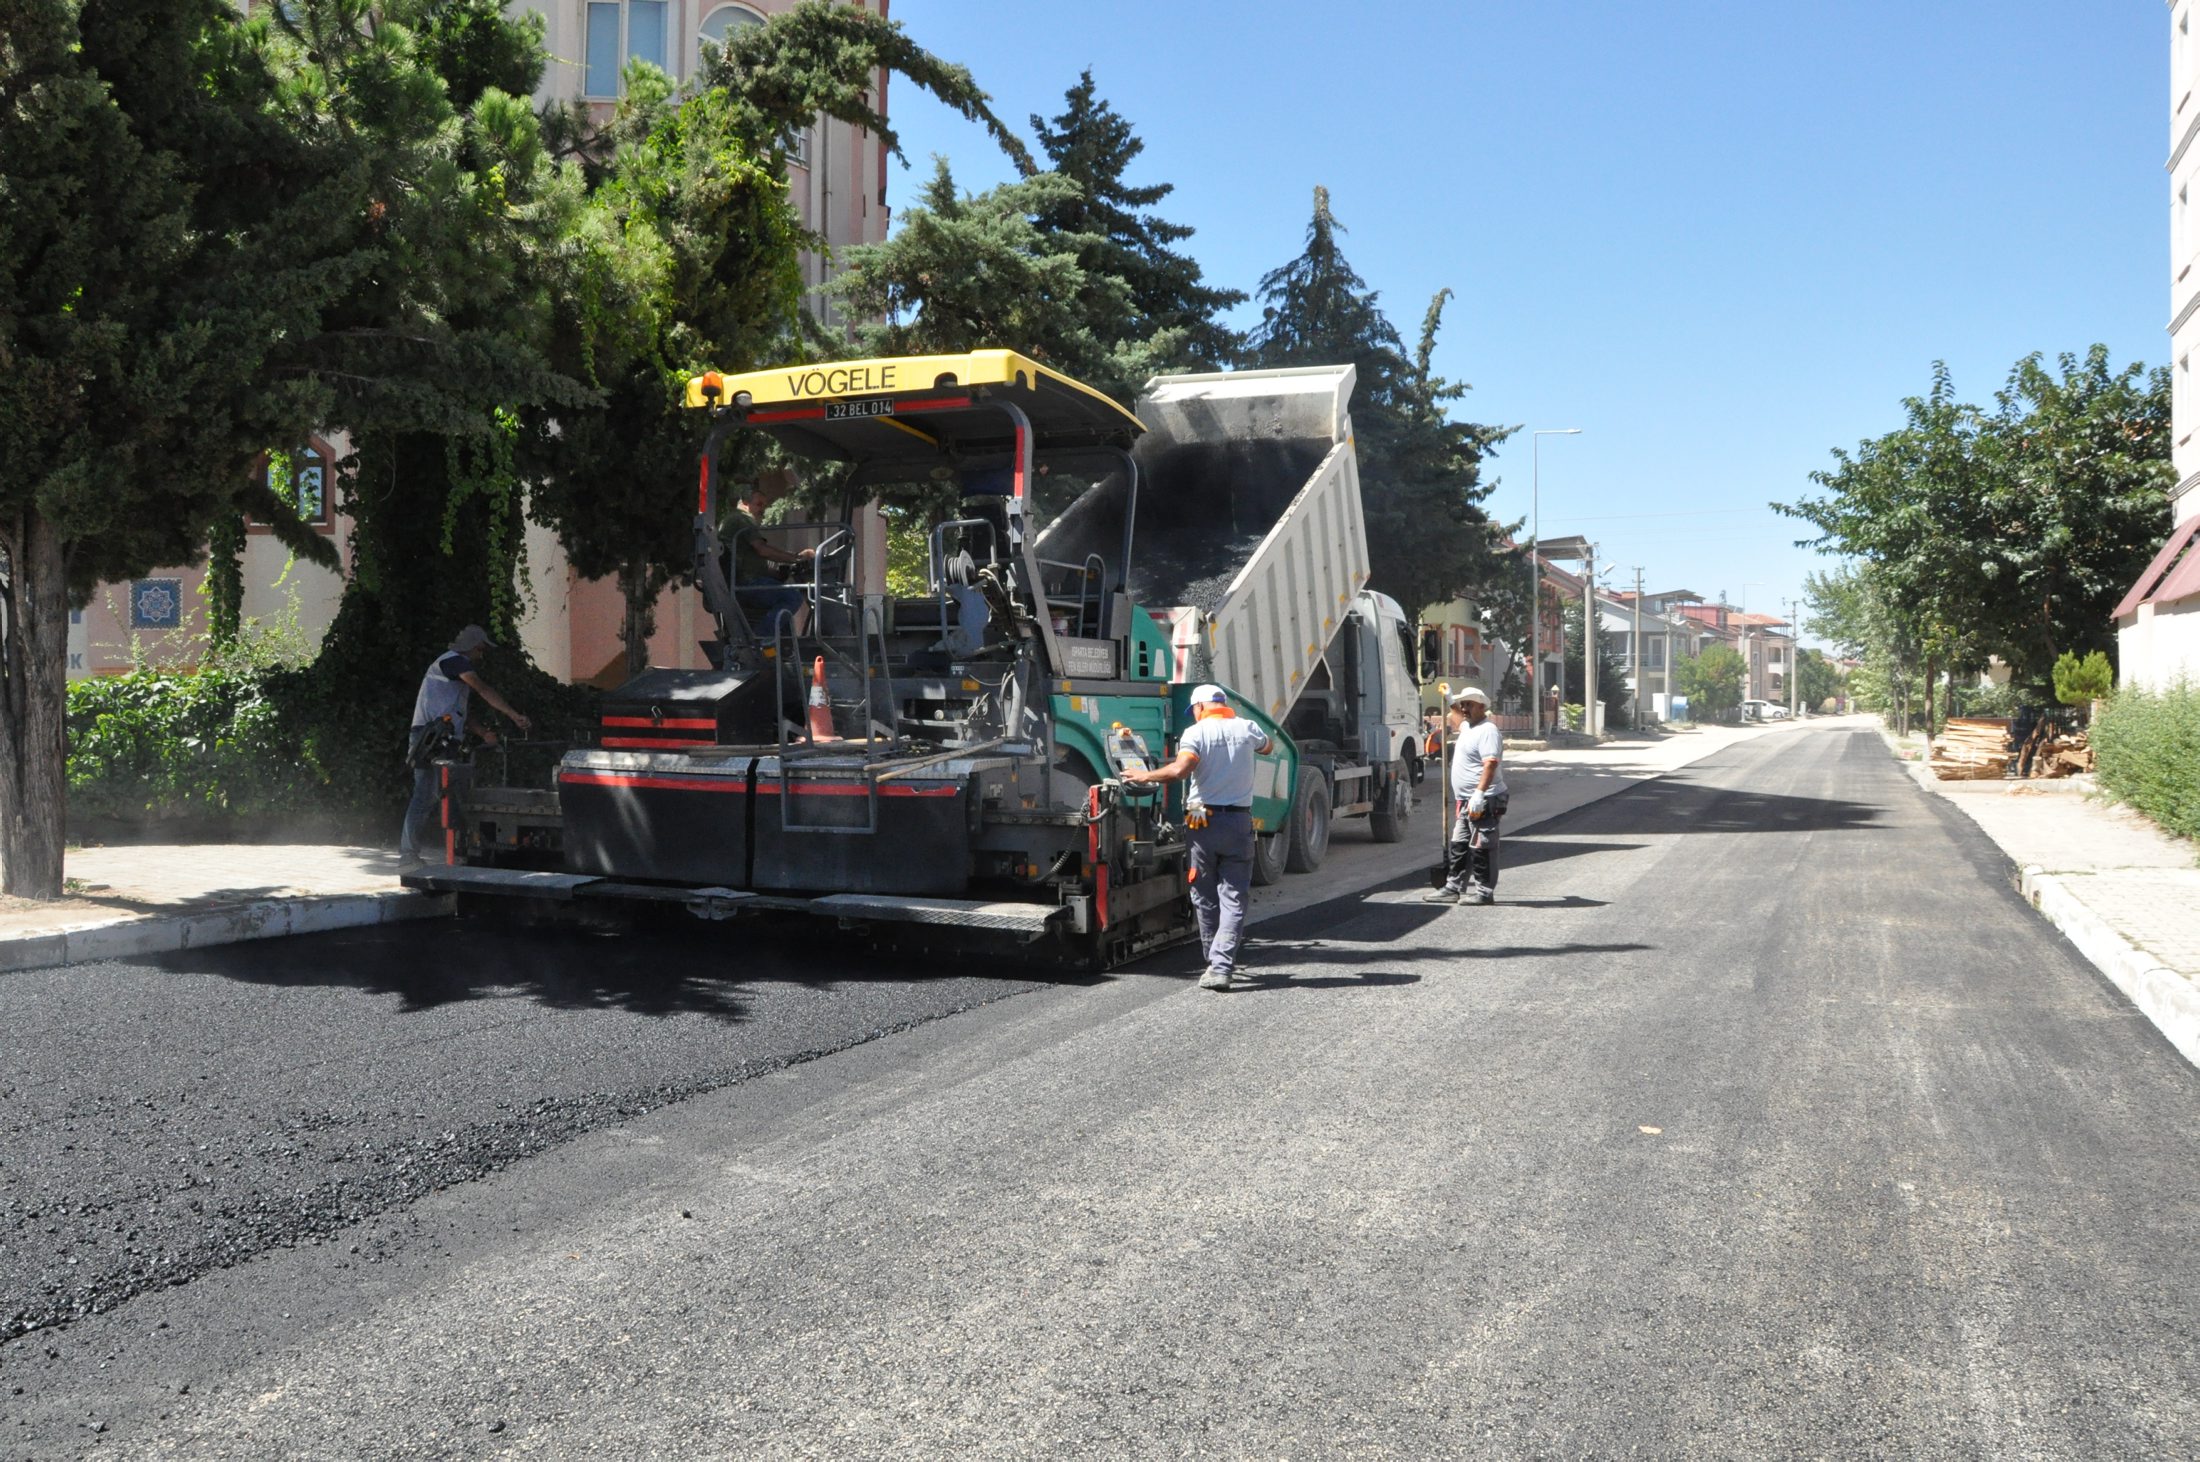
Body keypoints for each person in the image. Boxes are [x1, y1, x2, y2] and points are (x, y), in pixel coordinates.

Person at [1121, 683, 1274, 991]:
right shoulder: (1247, 727)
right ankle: (1222, 963)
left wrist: (1144, 775)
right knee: (1234, 897)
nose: (1194, 715)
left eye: (1194, 711)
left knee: (1204, 894)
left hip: (1202, 820)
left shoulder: (1196, 733)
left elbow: (1181, 770)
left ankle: (1214, 962)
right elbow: (1268, 746)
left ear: (1201, 707)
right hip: (1239, 822)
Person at [399, 625, 530, 868]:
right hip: (430, 740)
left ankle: (457, 853)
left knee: (448, 794)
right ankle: (407, 855)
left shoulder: (454, 674)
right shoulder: (454, 662)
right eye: (482, 649)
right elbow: (483, 689)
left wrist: (483, 733)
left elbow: (460, 714)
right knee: (425, 794)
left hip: (440, 740)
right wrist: (514, 715)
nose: (482, 655)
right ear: (474, 647)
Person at [1425, 686, 1508, 906]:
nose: (1464, 708)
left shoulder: (1487, 730)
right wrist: (1450, 698)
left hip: (1485, 799)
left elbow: (1490, 763)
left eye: (1469, 704)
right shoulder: (1468, 727)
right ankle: (1453, 888)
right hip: (1466, 800)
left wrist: (1479, 794)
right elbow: (1456, 717)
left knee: (1482, 846)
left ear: (1482, 706)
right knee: (1459, 843)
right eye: (1463, 705)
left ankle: (1484, 891)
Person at [725, 486, 816, 638]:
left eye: (764, 506)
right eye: (759, 504)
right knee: (792, 597)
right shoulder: (742, 519)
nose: (762, 510)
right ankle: (761, 639)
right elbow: (762, 550)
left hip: (744, 581)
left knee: (783, 607)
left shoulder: (735, 521)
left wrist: (780, 572)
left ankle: (786, 649)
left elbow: (752, 561)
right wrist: (796, 558)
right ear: (745, 503)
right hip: (747, 584)